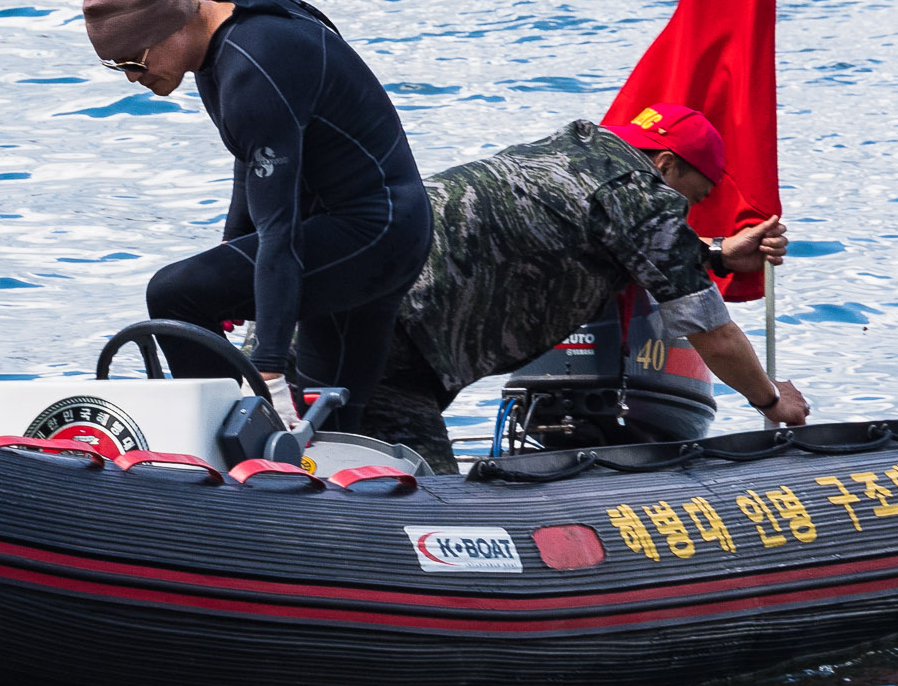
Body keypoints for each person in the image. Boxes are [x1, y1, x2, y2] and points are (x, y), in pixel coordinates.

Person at [345, 102, 807, 467]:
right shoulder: (642, 192)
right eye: (694, 197)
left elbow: (586, 230)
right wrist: (770, 401)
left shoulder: (567, 150)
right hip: (394, 338)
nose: (685, 209)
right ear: (665, 165)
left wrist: (715, 253)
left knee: (324, 458)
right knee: (434, 522)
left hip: (333, 286)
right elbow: (715, 336)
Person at [83, 0, 432, 428]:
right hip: (380, 225)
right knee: (333, 423)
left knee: (175, 294)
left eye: (133, 61)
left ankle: (224, 439)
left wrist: (267, 370)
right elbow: (254, 155)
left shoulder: (253, 68)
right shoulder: (223, 15)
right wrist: (233, 244)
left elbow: (280, 234)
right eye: (114, 65)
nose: (130, 77)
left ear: (170, 28)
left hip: (369, 234)